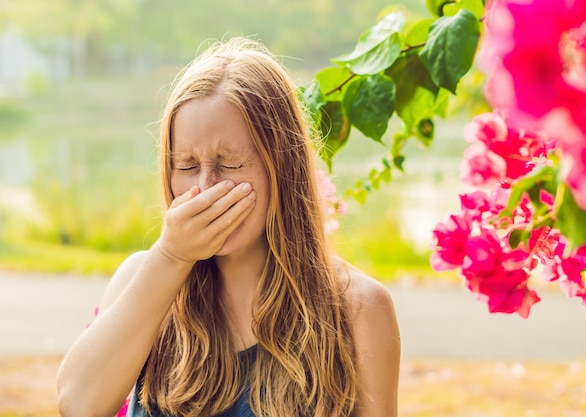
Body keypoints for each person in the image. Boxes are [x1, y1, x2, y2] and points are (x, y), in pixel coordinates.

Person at [56, 37, 401, 417]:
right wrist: (171, 257)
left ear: (283, 167)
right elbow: (78, 405)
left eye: (231, 164)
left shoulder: (357, 309)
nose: (205, 188)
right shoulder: (143, 278)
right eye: (186, 166)